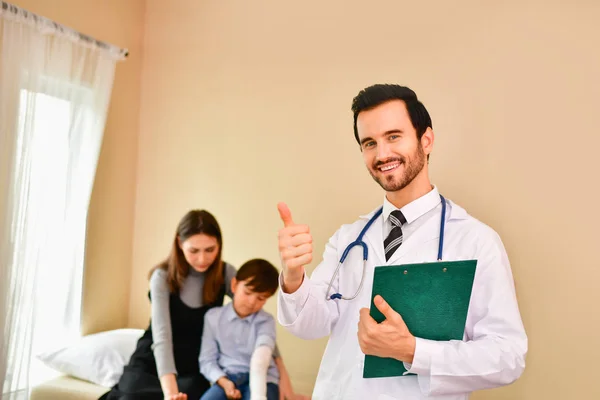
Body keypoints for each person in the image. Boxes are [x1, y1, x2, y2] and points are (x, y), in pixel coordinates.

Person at [276, 84, 528, 400]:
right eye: (370, 143)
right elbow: (309, 326)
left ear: (426, 139)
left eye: (393, 136)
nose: (382, 154)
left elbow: (508, 357)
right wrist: (294, 276)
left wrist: (414, 351)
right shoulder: (349, 238)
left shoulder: (475, 240)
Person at [100, 210, 297, 400]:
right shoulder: (162, 277)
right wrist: (170, 392)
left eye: (210, 250)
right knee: (131, 394)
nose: (202, 259)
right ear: (179, 244)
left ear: (219, 245)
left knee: (193, 392)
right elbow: (162, 336)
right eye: (194, 251)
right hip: (156, 359)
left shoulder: (225, 273)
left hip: (194, 363)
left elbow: (258, 320)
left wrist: (283, 375)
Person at [200, 258, 280, 400]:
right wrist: (224, 383)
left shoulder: (266, 321)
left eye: (261, 298)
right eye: (248, 293)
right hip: (228, 378)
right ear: (234, 285)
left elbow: (261, 358)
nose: (252, 302)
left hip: (265, 379)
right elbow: (207, 360)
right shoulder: (213, 318)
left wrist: (258, 395)